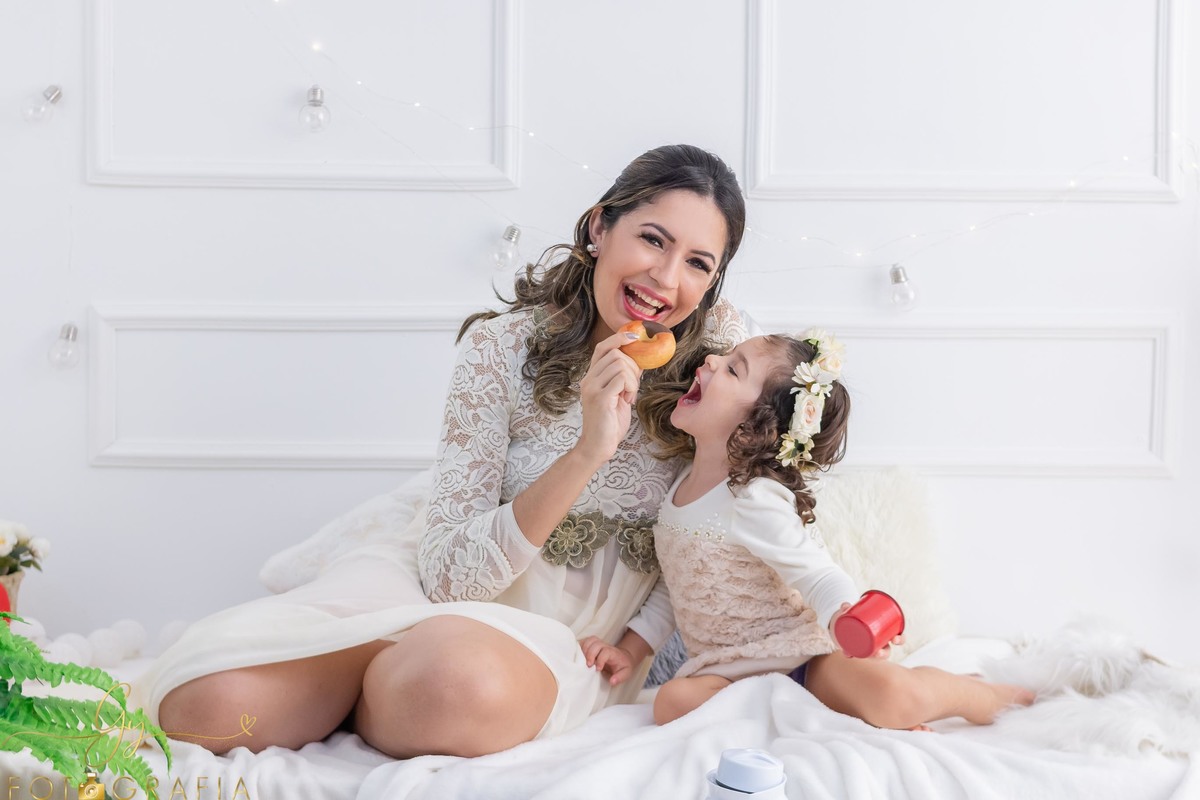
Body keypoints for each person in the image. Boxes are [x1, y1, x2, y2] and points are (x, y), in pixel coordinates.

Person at [132, 143, 750, 758]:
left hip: (563, 638)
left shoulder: (721, 359)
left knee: (450, 688)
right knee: (204, 709)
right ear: (599, 227)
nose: (667, 279)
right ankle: (368, 667)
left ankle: (382, 689)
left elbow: (719, 527)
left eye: (698, 262)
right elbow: (452, 577)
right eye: (652, 239)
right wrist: (586, 450)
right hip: (440, 579)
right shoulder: (501, 347)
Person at [579, 331, 1036, 729]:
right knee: (672, 704)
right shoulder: (678, 490)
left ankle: (979, 694)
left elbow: (817, 574)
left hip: (801, 660)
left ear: (753, 428)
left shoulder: (754, 499)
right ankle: (819, 718)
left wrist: (842, 619)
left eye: (733, 369)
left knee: (896, 696)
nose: (711, 361)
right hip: (724, 673)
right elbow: (674, 591)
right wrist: (632, 650)